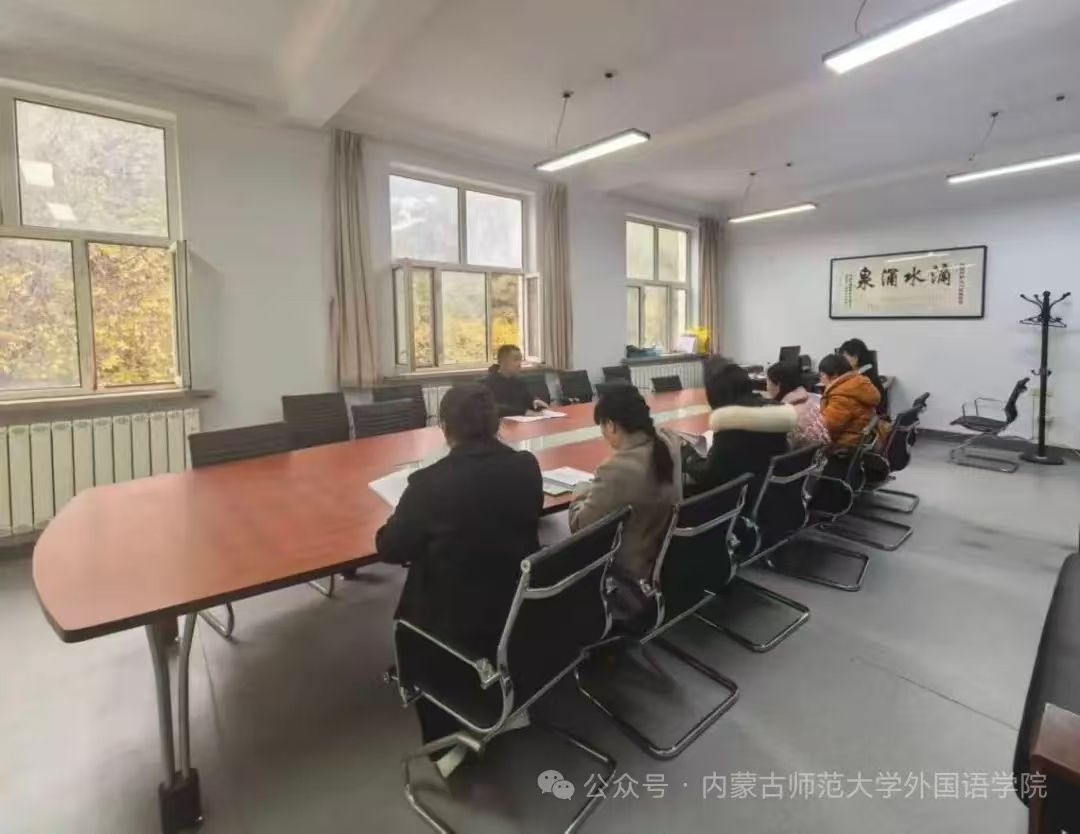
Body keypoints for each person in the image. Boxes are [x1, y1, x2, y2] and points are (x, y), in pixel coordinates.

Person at [376, 383, 543, 774]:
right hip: (515, 608)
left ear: (444, 428)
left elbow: (390, 548)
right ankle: (506, 704)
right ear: (495, 424)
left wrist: (403, 518)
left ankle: (446, 745)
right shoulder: (526, 467)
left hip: (454, 622)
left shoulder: (428, 484)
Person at [568, 385, 682, 583]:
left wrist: (580, 491)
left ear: (611, 425)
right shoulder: (669, 442)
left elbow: (581, 527)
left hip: (629, 572)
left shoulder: (615, 470)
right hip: (666, 560)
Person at [683, 359, 796, 496]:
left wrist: (689, 457)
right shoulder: (775, 413)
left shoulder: (730, 424)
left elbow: (709, 475)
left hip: (739, 498)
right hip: (771, 493)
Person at [818, 353, 884, 451]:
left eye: (822, 375)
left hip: (845, 446)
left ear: (834, 375)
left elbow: (826, 428)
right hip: (859, 439)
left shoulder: (842, 395)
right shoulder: (858, 382)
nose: (820, 380)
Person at [766, 361, 831, 449]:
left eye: (768, 382)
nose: (767, 387)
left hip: (808, 457)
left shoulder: (784, 415)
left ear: (778, 385)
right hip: (825, 454)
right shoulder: (810, 399)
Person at [481, 344, 549, 417]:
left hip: (523, 421)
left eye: (520, 359)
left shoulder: (519, 382)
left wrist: (534, 402)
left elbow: (527, 399)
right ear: (501, 361)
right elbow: (493, 408)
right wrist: (523, 412)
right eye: (516, 359)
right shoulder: (487, 383)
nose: (519, 364)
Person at [839, 338, 888, 414]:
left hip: (872, 415)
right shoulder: (868, 369)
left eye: (844, 357)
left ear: (855, 358)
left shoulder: (862, 377)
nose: (842, 361)